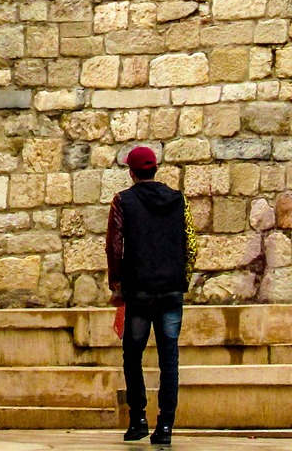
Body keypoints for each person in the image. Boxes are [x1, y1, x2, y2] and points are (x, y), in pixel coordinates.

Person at [106, 146, 199, 445]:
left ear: (131, 172)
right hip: (171, 290)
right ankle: (166, 427)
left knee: (133, 355)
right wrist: (181, 279)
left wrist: (117, 288)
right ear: (156, 169)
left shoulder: (123, 201)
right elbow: (192, 244)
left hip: (139, 292)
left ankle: (138, 420)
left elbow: (114, 246)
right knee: (169, 357)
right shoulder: (179, 199)